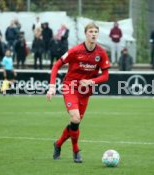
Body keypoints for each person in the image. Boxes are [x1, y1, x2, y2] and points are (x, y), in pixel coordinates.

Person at [46, 22, 110, 163]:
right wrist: (52, 86)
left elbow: (105, 76)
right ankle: (76, 151)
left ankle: (58, 144)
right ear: (86, 34)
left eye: (95, 32)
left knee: (75, 123)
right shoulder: (75, 50)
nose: (93, 34)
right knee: (75, 118)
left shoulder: (101, 53)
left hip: (85, 91)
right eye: (91, 31)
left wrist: (91, 82)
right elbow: (56, 65)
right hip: (70, 87)